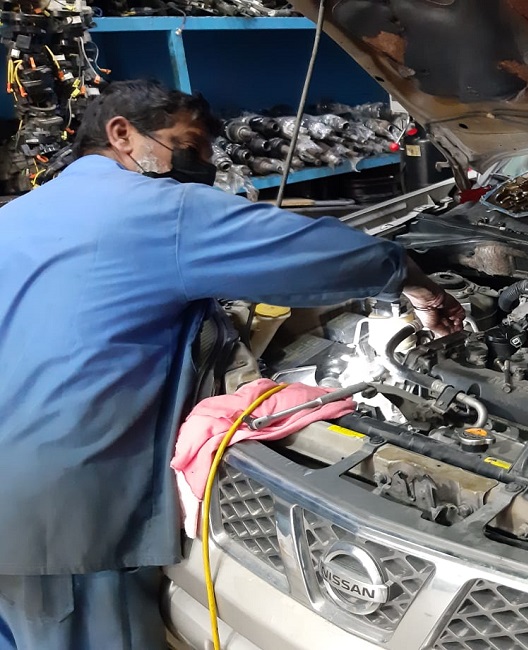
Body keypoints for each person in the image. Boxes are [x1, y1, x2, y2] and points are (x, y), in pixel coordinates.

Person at [0, 80, 465, 649]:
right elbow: (311, 252)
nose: (201, 167)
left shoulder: (23, 212)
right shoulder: (157, 209)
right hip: (61, 510)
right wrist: (413, 280)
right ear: (121, 134)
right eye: (188, 146)